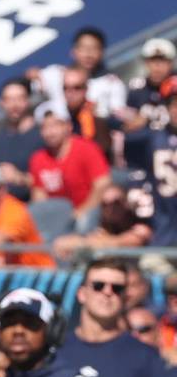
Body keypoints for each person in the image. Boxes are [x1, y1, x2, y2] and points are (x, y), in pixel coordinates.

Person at [30, 103, 111, 234]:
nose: (50, 132)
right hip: (58, 220)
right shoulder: (38, 158)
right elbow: (39, 197)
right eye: (44, 127)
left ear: (68, 126)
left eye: (55, 125)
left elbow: (102, 184)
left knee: (83, 224)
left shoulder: (86, 148)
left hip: (90, 214)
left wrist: (80, 212)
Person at [124, 79, 177, 252]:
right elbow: (126, 139)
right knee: (150, 266)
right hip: (164, 231)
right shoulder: (152, 138)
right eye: (173, 104)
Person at [31, 26, 126, 119]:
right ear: (73, 51)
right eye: (83, 48)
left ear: (102, 52)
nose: (88, 54)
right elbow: (29, 85)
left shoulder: (112, 84)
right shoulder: (55, 74)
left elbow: (118, 115)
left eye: (94, 48)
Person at [52, 183, 152, 264]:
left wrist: (84, 243)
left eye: (116, 203)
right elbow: (61, 243)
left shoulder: (140, 227)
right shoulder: (104, 227)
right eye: (105, 204)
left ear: (126, 204)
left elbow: (122, 243)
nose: (111, 209)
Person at [0, 77, 42, 202]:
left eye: (20, 98)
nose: (14, 105)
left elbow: (56, 178)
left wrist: (20, 178)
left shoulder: (43, 136)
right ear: (1, 103)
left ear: (28, 100)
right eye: (9, 100)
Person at [126, 38, 177, 131]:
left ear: (171, 63)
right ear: (146, 64)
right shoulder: (137, 90)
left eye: (162, 61)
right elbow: (128, 124)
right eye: (152, 61)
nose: (157, 66)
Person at [62, 66, 112, 159]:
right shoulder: (61, 118)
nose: (70, 93)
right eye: (65, 88)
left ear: (86, 89)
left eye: (77, 87)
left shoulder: (99, 113)